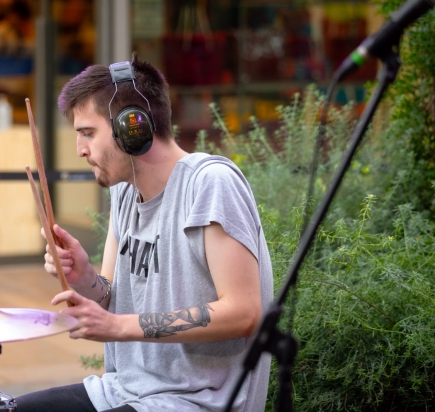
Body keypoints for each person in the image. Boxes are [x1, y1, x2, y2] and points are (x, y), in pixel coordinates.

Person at [15, 54, 274, 412]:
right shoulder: (124, 191)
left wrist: (118, 326)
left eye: (88, 133)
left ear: (132, 127)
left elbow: (244, 313)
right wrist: (84, 276)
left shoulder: (209, 184)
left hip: (195, 401)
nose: (80, 150)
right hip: (123, 391)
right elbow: (109, 298)